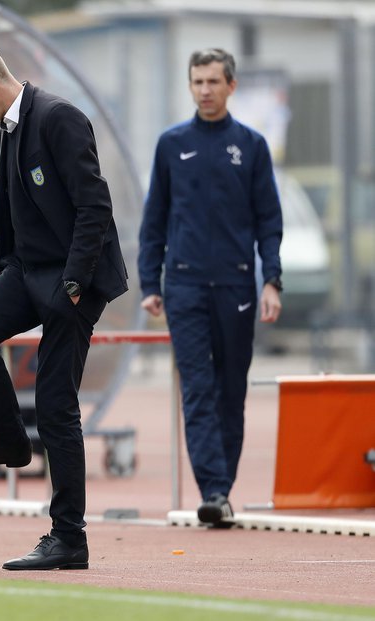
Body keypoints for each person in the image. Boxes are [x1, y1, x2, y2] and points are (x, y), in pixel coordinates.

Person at [0, 42, 128, 570]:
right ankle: (7, 440)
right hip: (26, 269)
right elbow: (27, 215)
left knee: (56, 408)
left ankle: (69, 538)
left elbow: (94, 208)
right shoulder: (9, 125)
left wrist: (73, 286)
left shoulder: (59, 118)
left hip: (72, 276)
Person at [138, 48, 283, 527]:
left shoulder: (252, 146)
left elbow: (269, 220)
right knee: (198, 389)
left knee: (229, 390)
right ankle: (214, 491)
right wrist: (149, 281)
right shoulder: (171, 144)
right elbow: (154, 218)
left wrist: (272, 281)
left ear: (231, 86)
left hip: (238, 283)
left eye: (213, 81)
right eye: (197, 81)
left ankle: (221, 486)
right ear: (190, 85)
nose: (205, 90)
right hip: (183, 285)